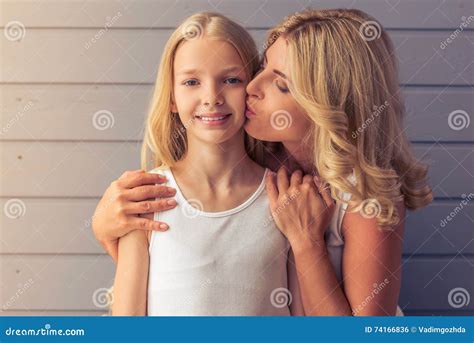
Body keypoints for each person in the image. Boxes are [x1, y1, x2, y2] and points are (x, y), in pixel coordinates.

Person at [94, 9, 432, 316]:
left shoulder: (363, 200)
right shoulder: (262, 159)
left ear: (324, 105)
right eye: (262, 68)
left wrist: (307, 242)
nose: (253, 87)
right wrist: (103, 226)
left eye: (280, 83)